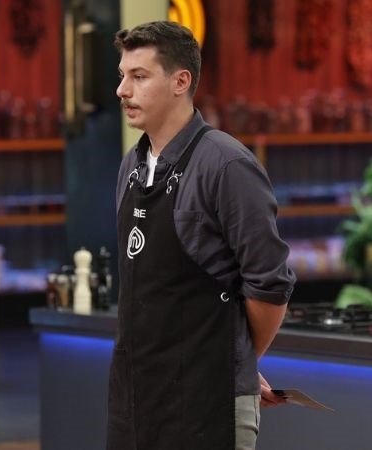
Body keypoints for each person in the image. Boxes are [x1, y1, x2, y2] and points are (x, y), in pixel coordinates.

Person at [109, 21, 296, 450]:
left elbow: (270, 287)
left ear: (181, 82)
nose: (122, 90)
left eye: (139, 76)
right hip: (134, 400)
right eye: (122, 75)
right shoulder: (131, 165)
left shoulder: (227, 165)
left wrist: (237, 360)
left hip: (206, 404)